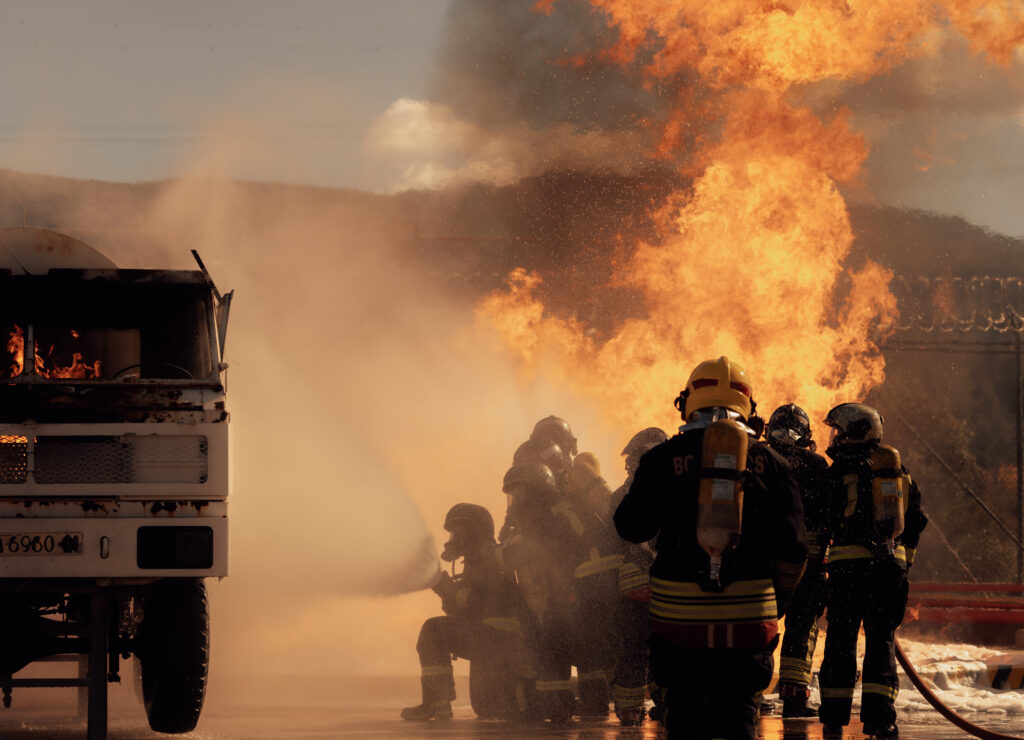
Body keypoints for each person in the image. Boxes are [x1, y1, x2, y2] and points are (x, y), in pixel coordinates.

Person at [614, 356, 808, 740]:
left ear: (686, 402)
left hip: (677, 622)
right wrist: (777, 599)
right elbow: (794, 547)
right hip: (749, 622)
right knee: (739, 717)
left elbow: (630, 527)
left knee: (683, 715)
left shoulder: (661, 458)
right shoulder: (773, 463)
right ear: (749, 408)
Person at [817, 403, 927, 739]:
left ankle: (834, 718)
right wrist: (900, 562)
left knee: (840, 643)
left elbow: (824, 518)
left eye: (838, 430)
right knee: (881, 644)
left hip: (848, 574)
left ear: (853, 432)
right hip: (888, 576)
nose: (834, 437)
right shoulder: (899, 472)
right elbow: (916, 521)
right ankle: (881, 721)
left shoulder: (838, 472)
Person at [401, 503, 525, 721]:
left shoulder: (489, 556)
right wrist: (444, 590)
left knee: (432, 631)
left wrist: (448, 590)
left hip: (497, 637)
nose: (454, 536)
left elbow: (479, 601)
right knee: (486, 708)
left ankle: (436, 703)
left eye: (459, 531)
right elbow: (464, 610)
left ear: (475, 530)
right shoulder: (475, 560)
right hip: (492, 640)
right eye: (452, 531)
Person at [765, 404, 836, 718]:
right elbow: (833, 515)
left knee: (759, 628)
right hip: (808, 566)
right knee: (801, 629)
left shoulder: (758, 460)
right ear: (807, 435)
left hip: (763, 567)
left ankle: (748, 695)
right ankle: (794, 699)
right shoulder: (818, 465)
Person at [609, 426, 668, 726]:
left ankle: (630, 711)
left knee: (633, 650)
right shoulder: (675, 488)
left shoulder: (621, 494)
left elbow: (611, 544)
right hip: (668, 588)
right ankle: (669, 705)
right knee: (667, 649)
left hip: (631, 590)